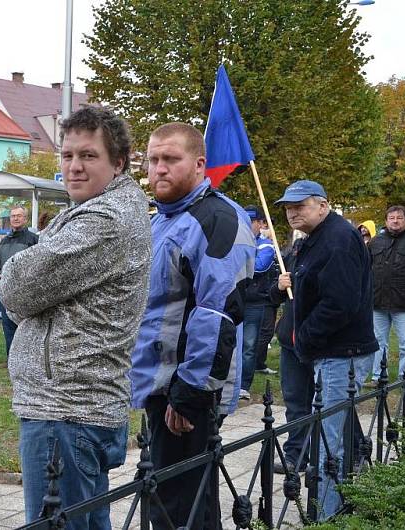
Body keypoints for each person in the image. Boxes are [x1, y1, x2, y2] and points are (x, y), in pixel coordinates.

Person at [0, 106, 151, 529]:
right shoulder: (94, 207)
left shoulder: (105, 219)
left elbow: (15, 288)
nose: (74, 166)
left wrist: (17, 279)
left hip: (66, 408)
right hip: (72, 406)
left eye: (88, 156)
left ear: (117, 162)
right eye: (67, 156)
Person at [130, 122, 256, 530]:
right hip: (156, 384)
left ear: (199, 164)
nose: (158, 169)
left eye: (170, 159)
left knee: (184, 507)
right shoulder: (161, 220)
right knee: (168, 500)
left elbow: (217, 313)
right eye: (152, 160)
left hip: (185, 393)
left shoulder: (216, 217)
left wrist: (190, 394)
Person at [274, 180, 377, 520]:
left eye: (299, 205)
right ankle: (350, 491)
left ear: (323, 205)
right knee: (335, 428)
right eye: (288, 206)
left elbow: (339, 304)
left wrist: (303, 337)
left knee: (328, 439)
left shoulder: (336, 239)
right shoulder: (316, 238)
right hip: (331, 351)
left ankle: (326, 516)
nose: (291, 212)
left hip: (341, 352)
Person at [270, 230, 313, 475]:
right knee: (295, 401)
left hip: (319, 340)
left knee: (326, 402)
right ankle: (295, 455)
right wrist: (279, 285)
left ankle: (333, 453)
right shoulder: (295, 251)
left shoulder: (333, 248)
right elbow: (273, 296)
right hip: (291, 338)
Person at [239, 205, 278, 399]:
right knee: (233, 344)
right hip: (236, 299)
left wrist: (240, 259)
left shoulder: (266, 245)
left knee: (248, 345)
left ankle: (243, 384)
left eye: (251, 222)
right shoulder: (237, 240)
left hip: (255, 302)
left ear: (260, 224)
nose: (246, 225)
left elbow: (260, 267)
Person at [367, 205, 405, 385]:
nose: (395, 221)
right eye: (392, 218)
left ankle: (403, 377)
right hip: (378, 301)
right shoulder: (376, 242)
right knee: (377, 342)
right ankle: (378, 377)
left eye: (399, 217)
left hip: (403, 303)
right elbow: (365, 268)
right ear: (386, 221)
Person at [0, 205, 38, 356]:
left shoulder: (33, 239)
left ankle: (27, 360)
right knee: (8, 327)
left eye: (19, 216)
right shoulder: (4, 241)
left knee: (26, 328)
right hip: (7, 292)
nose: (16, 218)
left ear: (25, 219)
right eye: (13, 216)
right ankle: (10, 359)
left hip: (26, 291)